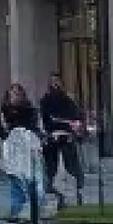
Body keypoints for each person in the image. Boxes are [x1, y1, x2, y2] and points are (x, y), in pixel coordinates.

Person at [0, 80, 44, 221]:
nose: (14, 96)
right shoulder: (4, 111)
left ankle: (32, 210)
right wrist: (0, 121)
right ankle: (16, 210)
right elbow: (2, 133)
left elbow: (33, 127)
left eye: (17, 93)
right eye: (11, 94)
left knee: (30, 179)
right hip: (13, 148)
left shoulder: (28, 110)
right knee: (15, 178)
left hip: (27, 146)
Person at [39, 72, 87, 207]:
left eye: (57, 80)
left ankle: (76, 192)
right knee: (52, 168)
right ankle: (57, 195)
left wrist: (73, 129)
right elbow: (45, 119)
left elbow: (75, 117)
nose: (55, 83)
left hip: (66, 137)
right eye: (52, 81)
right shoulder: (45, 100)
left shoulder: (68, 100)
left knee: (71, 166)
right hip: (52, 137)